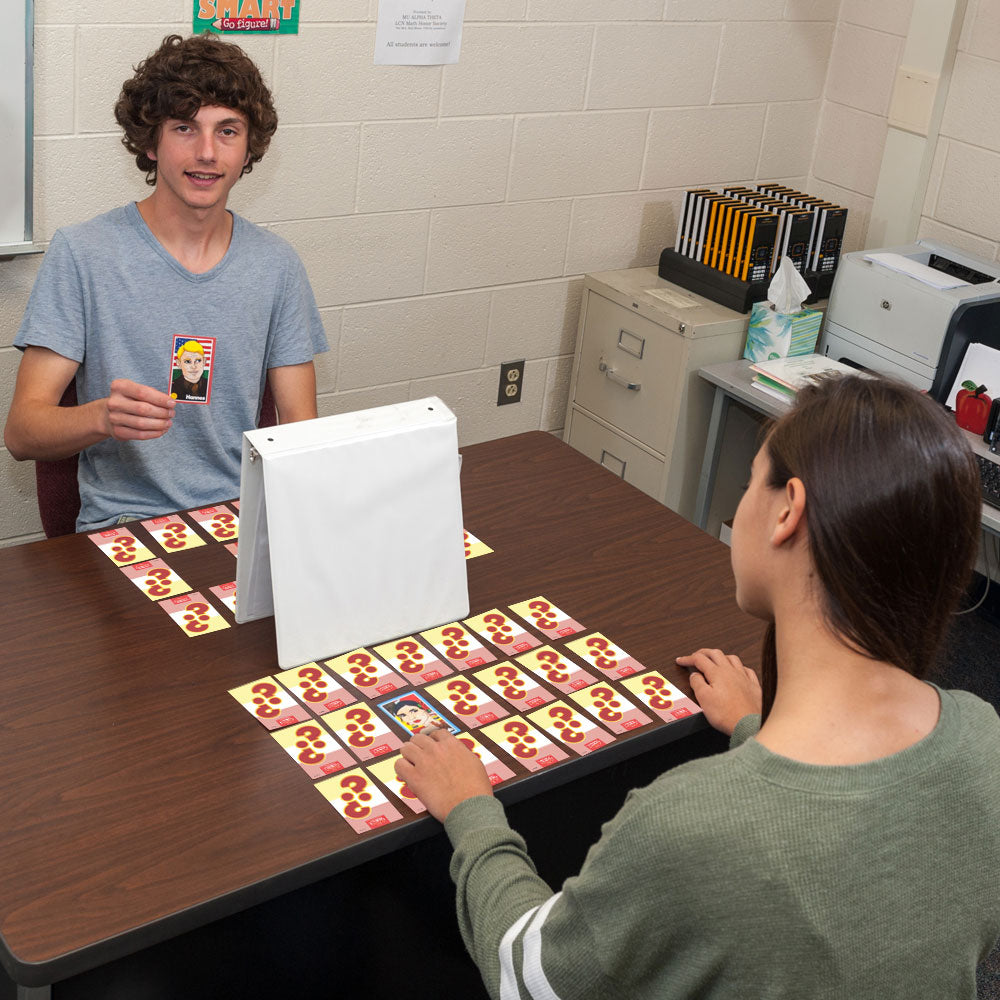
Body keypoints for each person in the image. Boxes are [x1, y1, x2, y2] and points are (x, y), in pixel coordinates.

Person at [396, 374, 1000, 1000]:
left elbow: (525, 976)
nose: (739, 509)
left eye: (748, 485)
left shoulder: (690, 827)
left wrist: (472, 811)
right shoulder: (984, 739)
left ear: (788, 511)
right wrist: (755, 732)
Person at [3, 33, 327, 532]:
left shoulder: (276, 265)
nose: (206, 153)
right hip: (124, 524)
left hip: (241, 519)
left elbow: (301, 431)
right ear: (151, 142)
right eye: (184, 128)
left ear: (248, 148)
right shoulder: (83, 253)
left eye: (227, 131)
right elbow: (22, 433)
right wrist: (101, 419)